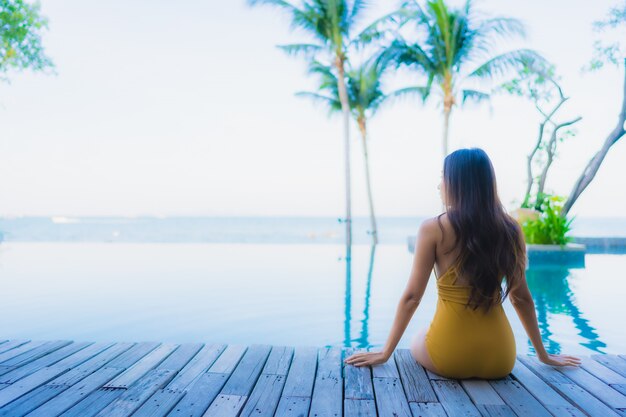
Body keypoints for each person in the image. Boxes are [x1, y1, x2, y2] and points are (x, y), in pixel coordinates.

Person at [344, 148, 581, 379]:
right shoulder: (511, 229)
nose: (439, 186)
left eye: (443, 178)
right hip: (500, 358)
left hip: (449, 356)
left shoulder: (432, 229)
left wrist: (385, 353)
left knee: (420, 335)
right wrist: (543, 354)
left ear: (459, 183)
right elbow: (521, 298)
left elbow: (412, 298)